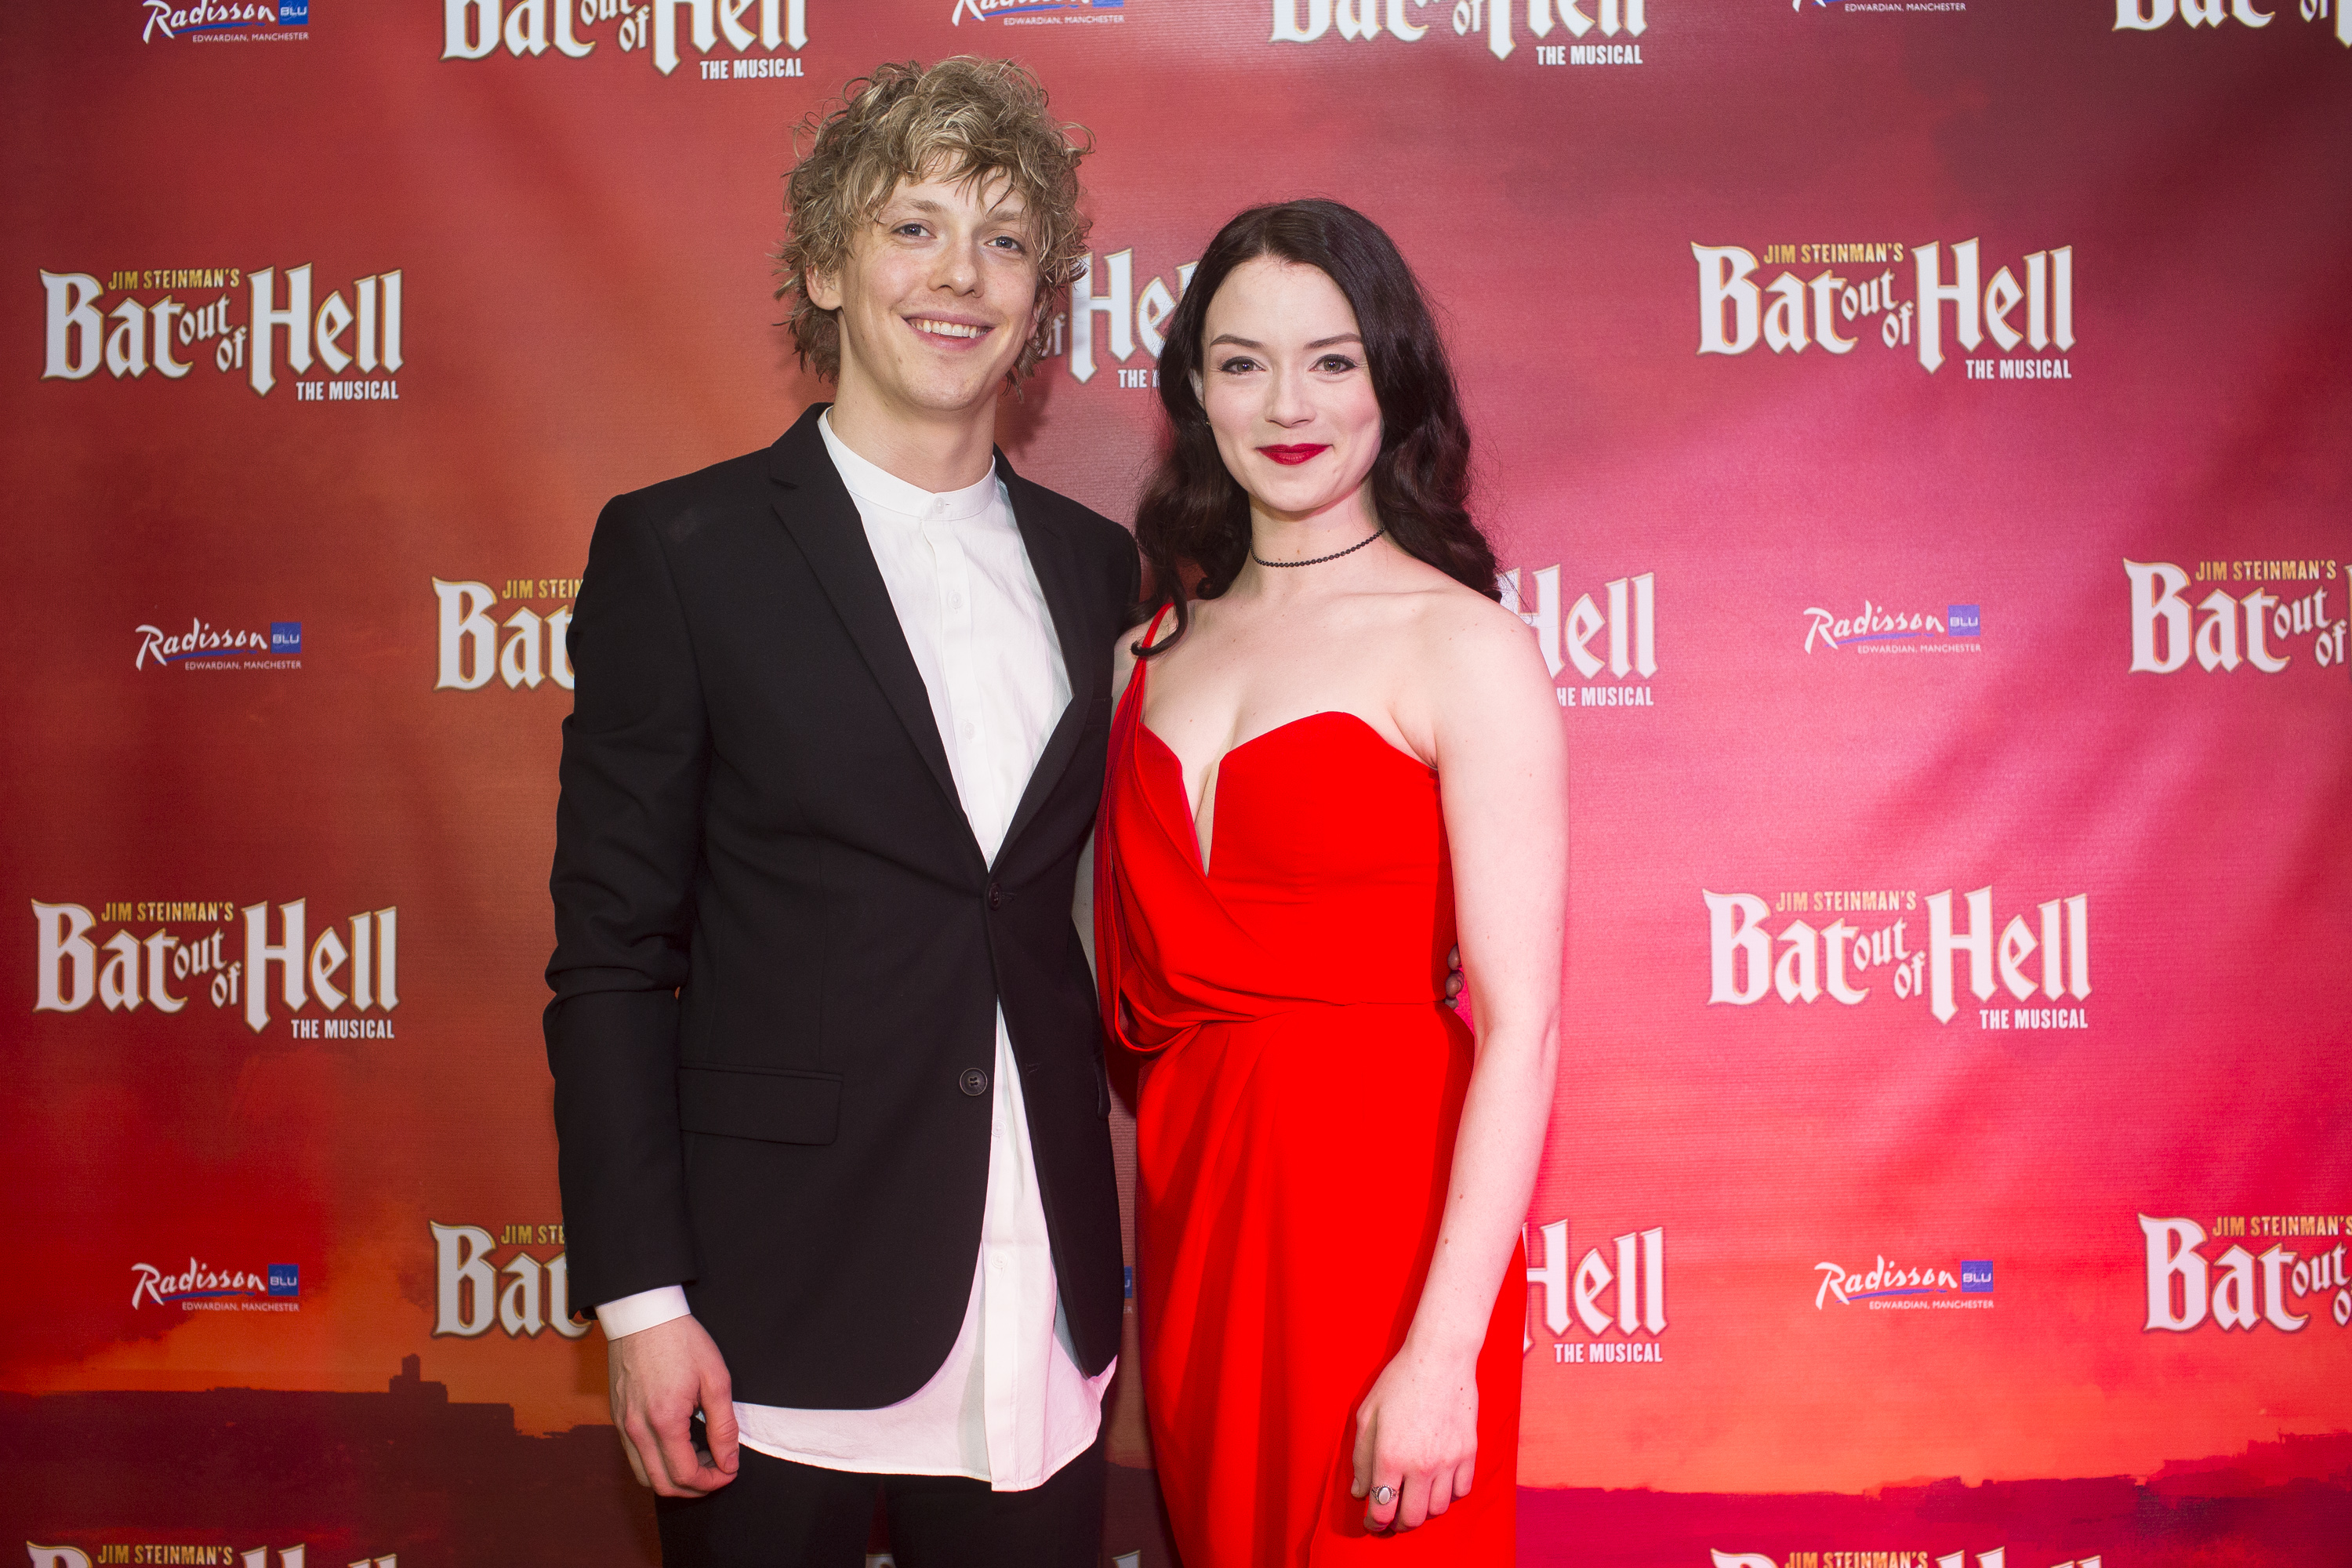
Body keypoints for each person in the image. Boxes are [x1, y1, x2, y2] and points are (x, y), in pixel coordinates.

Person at [544, 60, 1138, 1566]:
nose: (962, 276)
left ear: (1041, 295)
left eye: (1006, 240)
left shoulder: (1096, 571)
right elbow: (611, 955)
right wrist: (645, 1304)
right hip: (769, 1319)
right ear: (824, 264)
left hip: (1043, 1309)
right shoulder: (683, 550)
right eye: (913, 228)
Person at [1093, 199, 1567, 1563]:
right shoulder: (1147, 653)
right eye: (1242, 362)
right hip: (1197, 1226)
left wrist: (1440, 1354)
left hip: (1384, 1224)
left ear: (1393, 380)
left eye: (1333, 359)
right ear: (1194, 391)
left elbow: (1523, 1030)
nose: (1287, 403)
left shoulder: (1462, 644)